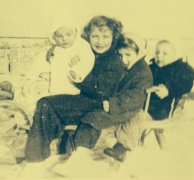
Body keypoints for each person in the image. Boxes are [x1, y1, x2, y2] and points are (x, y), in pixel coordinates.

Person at [19, 15, 125, 178]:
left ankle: (46, 160)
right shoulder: (84, 49)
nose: (100, 41)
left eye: (106, 37)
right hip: (80, 100)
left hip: (98, 104)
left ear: (113, 38)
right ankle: (35, 161)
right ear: (88, 36)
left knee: (49, 104)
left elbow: (102, 90)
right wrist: (54, 49)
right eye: (95, 36)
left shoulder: (114, 60)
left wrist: (77, 74)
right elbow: (65, 45)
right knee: (45, 103)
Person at [53, 32, 153, 176]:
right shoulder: (127, 66)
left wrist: (112, 104)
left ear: (140, 52)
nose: (123, 59)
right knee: (89, 116)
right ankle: (76, 157)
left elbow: (135, 96)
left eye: (128, 55)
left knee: (93, 120)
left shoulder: (143, 72)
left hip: (127, 108)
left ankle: (76, 161)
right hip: (116, 104)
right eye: (120, 55)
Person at [14, 12, 95, 125]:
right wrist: (31, 78)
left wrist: (77, 71)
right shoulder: (51, 50)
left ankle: (45, 121)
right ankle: (30, 120)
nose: (64, 39)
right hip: (50, 85)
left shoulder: (81, 46)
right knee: (28, 94)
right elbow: (38, 65)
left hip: (70, 86)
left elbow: (88, 60)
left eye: (68, 34)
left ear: (75, 33)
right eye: (59, 36)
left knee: (50, 104)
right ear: (53, 37)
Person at [148, 39, 194, 120]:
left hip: (162, 108)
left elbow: (186, 83)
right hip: (147, 104)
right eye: (157, 52)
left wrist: (169, 90)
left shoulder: (180, 69)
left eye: (164, 53)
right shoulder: (152, 68)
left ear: (175, 55)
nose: (159, 55)